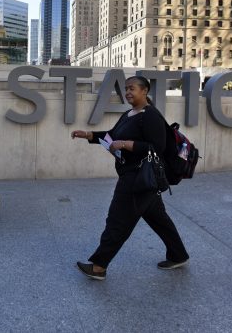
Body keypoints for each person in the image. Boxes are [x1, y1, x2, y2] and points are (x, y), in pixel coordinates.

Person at [70, 75, 189, 280]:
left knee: (117, 219)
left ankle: (99, 266)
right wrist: (88, 135)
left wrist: (126, 144)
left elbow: (156, 148)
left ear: (144, 91)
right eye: (126, 88)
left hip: (138, 177)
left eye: (132, 88)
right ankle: (178, 255)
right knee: (159, 219)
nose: (128, 92)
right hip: (138, 177)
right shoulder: (129, 114)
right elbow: (112, 135)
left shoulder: (150, 115)